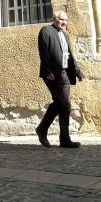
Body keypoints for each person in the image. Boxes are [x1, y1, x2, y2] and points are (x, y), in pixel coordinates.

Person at [36, 11, 85, 149]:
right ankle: (43, 130)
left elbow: (69, 56)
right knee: (62, 103)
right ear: (55, 19)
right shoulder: (46, 31)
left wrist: (78, 72)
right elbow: (43, 51)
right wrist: (47, 70)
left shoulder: (65, 35)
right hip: (52, 74)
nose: (64, 22)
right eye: (62, 19)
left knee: (64, 105)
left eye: (66, 20)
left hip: (65, 74)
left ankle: (63, 139)